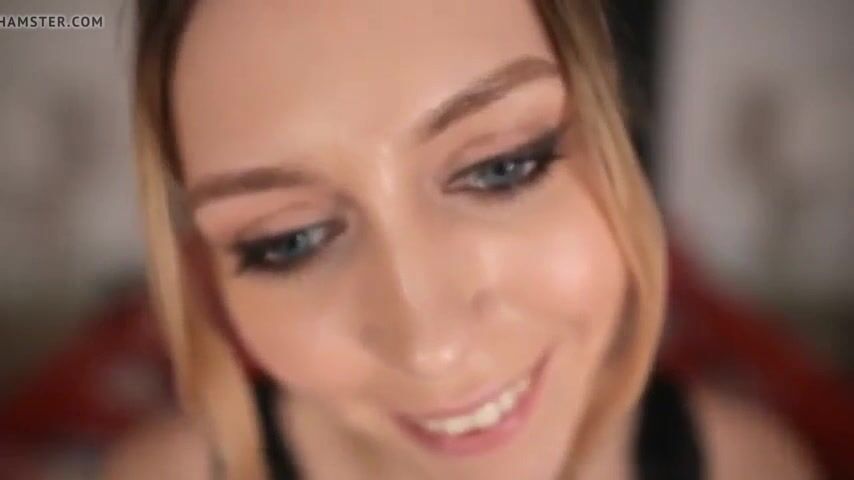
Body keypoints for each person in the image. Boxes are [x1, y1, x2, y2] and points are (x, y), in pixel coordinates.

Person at [106, 1, 818, 478]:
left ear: (612, 130)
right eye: (289, 240)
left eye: (503, 168)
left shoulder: (746, 466)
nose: (432, 348)